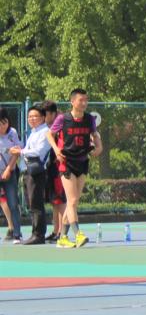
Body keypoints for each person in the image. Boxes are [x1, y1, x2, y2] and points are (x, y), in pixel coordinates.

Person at [46, 88, 103, 249]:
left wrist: (99, 147)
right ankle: (78, 234)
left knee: (74, 201)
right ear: (72, 101)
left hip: (82, 161)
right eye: (81, 100)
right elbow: (49, 135)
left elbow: (95, 135)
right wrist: (56, 149)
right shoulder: (63, 119)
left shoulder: (89, 119)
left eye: (86, 100)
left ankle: (62, 238)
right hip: (66, 162)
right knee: (71, 200)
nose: (84, 103)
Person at [10, 104, 50, 244]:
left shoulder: (45, 132)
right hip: (29, 170)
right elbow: (29, 150)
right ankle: (35, 233)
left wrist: (20, 151)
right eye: (30, 117)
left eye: (35, 116)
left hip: (36, 172)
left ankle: (38, 235)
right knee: (31, 203)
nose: (32, 119)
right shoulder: (34, 132)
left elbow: (38, 151)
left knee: (36, 203)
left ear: (43, 118)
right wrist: (21, 150)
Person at [40, 100, 65, 242]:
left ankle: (62, 232)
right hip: (51, 167)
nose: (43, 118)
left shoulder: (62, 124)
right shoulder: (50, 127)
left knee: (60, 200)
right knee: (54, 201)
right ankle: (56, 231)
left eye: (45, 114)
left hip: (59, 167)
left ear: (52, 113)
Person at [0, 108, 23, 244]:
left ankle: (17, 234)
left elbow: (18, 151)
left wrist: (8, 169)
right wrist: (8, 149)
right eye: (0, 123)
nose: (3, 126)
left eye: (5, 122)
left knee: (13, 203)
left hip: (9, 172)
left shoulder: (12, 133)